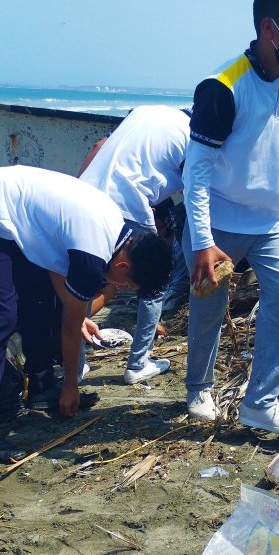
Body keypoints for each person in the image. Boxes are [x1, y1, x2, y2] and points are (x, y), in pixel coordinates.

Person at [0, 165, 171, 462]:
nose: (120, 289)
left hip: (15, 212)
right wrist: (70, 384)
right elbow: (70, 326)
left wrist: (78, 313)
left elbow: (58, 282)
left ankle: (42, 388)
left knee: (39, 301)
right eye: (127, 286)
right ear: (123, 267)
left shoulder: (115, 231)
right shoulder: (93, 257)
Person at [183, 0, 279, 436]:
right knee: (208, 308)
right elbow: (195, 172)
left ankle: (260, 402)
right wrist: (202, 242)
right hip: (218, 221)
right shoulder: (222, 87)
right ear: (270, 28)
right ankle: (198, 387)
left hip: (273, 219)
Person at [79, 105, 189, 384]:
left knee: (86, 279)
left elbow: (99, 145)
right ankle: (138, 363)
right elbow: (196, 194)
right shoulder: (193, 135)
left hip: (85, 195)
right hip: (128, 202)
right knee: (154, 282)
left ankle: (76, 363)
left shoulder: (144, 113)